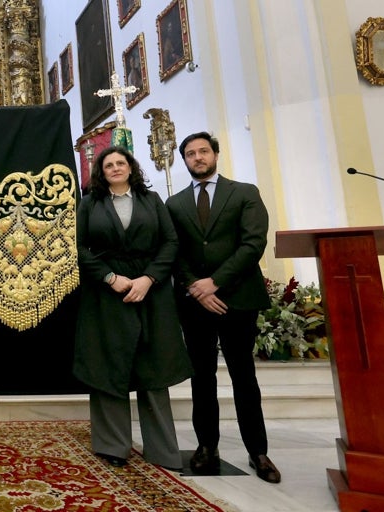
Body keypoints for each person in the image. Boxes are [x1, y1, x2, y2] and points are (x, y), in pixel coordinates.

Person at [165, 132, 281, 484]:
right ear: (183, 160)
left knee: (243, 376)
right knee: (202, 378)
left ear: (215, 154)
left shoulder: (243, 193)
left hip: (237, 298)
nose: (197, 157)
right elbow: (175, 250)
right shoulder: (175, 202)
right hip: (195, 303)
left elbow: (252, 243)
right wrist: (195, 288)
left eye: (203, 151)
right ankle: (206, 447)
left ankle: (258, 451)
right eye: (190, 153)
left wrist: (215, 282)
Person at [72, 146, 193, 471]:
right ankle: (112, 444)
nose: (114, 168)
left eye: (120, 163)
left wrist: (148, 279)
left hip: (150, 294)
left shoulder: (152, 201)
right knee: (108, 366)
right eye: (108, 164)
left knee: (153, 368)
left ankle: (161, 448)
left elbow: (170, 242)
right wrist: (110, 277)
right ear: (101, 171)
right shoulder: (89, 204)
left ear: (130, 167)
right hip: (106, 293)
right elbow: (79, 246)